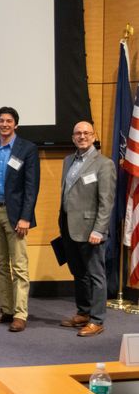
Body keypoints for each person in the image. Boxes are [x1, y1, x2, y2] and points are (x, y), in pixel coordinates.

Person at [0, 107, 40, 333]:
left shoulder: (27, 149)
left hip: (16, 217)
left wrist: (25, 217)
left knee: (20, 267)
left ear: (16, 125)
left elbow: (31, 187)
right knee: (0, 266)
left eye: (9, 121)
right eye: (1, 120)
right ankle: (6, 310)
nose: (4, 124)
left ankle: (21, 314)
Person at [58, 122, 115, 337]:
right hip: (69, 227)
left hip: (91, 230)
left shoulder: (104, 164)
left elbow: (106, 201)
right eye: (78, 133)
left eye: (86, 133)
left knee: (96, 276)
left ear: (94, 136)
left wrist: (99, 230)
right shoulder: (67, 161)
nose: (82, 136)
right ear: (73, 137)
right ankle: (83, 313)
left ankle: (97, 320)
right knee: (79, 274)